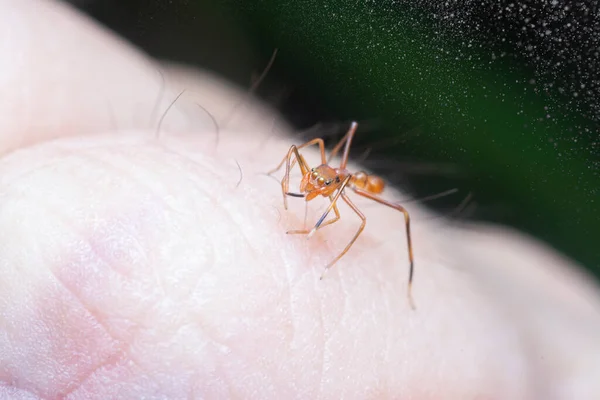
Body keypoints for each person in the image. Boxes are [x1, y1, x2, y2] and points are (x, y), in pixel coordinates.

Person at [0, 1, 598, 399]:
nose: (311, 181)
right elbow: (308, 155)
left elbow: (352, 218)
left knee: (379, 218)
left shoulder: (347, 198)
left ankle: (409, 278)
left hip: (364, 198)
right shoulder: (312, 165)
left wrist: (332, 246)